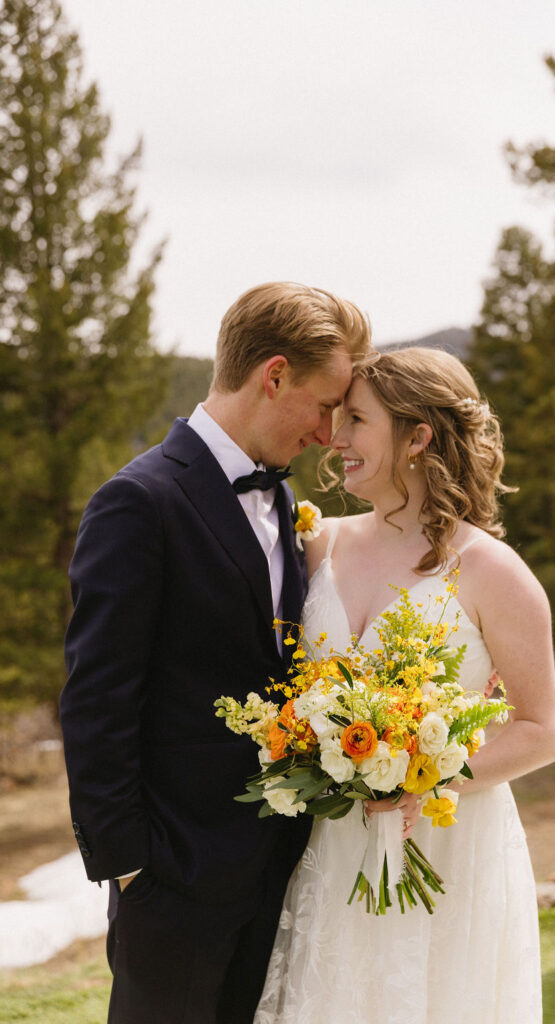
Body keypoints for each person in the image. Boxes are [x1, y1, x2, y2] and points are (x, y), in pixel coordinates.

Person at [59, 282, 372, 1024]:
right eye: (326, 404)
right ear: (272, 375)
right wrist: (131, 865)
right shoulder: (139, 500)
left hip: (279, 866)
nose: (330, 433)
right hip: (173, 877)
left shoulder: (286, 505)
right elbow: (97, 697)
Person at [255, 346, 555, 1024]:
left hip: (448, 844)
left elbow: (542, 729)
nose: (335, 439)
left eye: (357, 420)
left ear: (417, 436)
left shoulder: (492, 571)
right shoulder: (319, 544)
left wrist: (424, 779)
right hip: (334, 844)